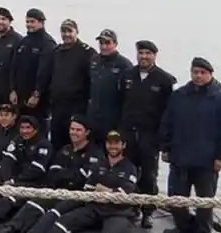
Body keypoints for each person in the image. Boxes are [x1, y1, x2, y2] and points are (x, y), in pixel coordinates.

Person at [13, 131, 138, 233]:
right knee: (64, 221)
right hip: (95, 207)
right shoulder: (99, 164)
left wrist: (104, 190)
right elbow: (88, 187)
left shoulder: (130, 168)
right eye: (110, 143)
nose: (112, 146)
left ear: (123, 145)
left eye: (116, 143)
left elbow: (125, 193)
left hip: (117, 213)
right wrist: (109, 192)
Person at [159, 56, 221, 233]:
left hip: (206, 161)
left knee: (204, 200)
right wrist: (165, 147)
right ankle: (183, 228)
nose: (198, 76)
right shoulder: (179, 96)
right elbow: (167, 123)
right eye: (195, 72)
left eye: (202, 73)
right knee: (175, 198)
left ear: (210, 74)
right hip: (180, 157)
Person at [0, 115, 102, 233]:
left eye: (78, 130)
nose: (74, 133)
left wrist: (64, 175)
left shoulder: (94, 154)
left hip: (77, 195)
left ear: (86, 132)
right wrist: (67, 175)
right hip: (57, 189)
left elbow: (81, 178)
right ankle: (11, 230)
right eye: (72, 129)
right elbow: (53, 173)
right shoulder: (65, 150)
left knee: (54, 211)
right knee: (37, 202)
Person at [119, 40, 176, 228]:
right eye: (141, 53)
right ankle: (131, 206)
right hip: (128, 133)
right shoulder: (128, 75)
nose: (144, 57)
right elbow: (121, 103)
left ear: (154, 55)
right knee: (129, 171)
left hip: (149, 135)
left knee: (149, 174)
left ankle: (148, 212)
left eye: (147, 53)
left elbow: (169, 113)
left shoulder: (165, 80)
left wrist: (164, 141)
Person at [35, 19, 95, 150]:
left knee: (74, 142)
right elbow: (47, 75)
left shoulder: (87, 53)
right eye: (64, 31)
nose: (66, 34)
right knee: (56, 141)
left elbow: (93, 80)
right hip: (57, 107)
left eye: (70, 31)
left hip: (76, 107)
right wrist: (38, 92)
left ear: (77, 32)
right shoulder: (56, 52)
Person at [8, 8, 56, 135]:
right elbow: (14, 66)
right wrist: (13, 89)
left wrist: (37, 93)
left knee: (37, 131)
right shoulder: (24, 41)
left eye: (32, 22)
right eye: (27, 22)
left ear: (41, 23)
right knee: (21, 130)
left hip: (37, 100)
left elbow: (45, 71)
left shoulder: (47, 43)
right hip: (20, 97)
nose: (29, 25)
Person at [86, 29, 133, 143]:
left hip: (112, 120)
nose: (103, 46)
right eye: (101, 43)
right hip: (93, 118)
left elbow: (128, 97)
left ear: (115, 44)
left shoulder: (124, 65)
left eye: (107, 43)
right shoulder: (94, 60)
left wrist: (122, 124)